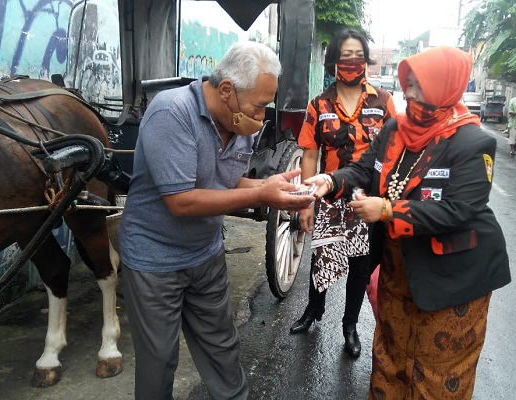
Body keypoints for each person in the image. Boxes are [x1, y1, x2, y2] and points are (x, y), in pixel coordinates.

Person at [305, 46, 511, 399]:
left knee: (437, 374)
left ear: (443, 87)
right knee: (390, 359)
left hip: (453, 278)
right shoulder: (395, 130)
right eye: (408, 84)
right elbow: (362, 169)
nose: (410, 93)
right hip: (399, 270)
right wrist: (330, 181)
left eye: (419, 86)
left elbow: (459, 210)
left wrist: (387, 211)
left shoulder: (473, 143)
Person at [117, 41, 315, 400]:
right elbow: (181, 200)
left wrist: (268, 185)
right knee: (158, 361)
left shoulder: (242, 121)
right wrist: (259, 195)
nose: (262, 114)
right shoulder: (171, 113)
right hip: (154, 262)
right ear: (226, 90)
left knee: (223, 349)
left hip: (205, 255)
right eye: (259, 104)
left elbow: (223, 179)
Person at [289, 28, 396, 360]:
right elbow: (309, 154)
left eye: (358, 56)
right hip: (328, 196)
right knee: (322, 258)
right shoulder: (319, 104)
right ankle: (313, 311)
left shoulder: (383, 101)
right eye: (345, 56)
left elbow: (395, 151)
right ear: (333, 61)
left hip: (367, 201)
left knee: (360, 265)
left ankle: (349, 326)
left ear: (366, 60)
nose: (352, 63)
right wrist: (306, 202)